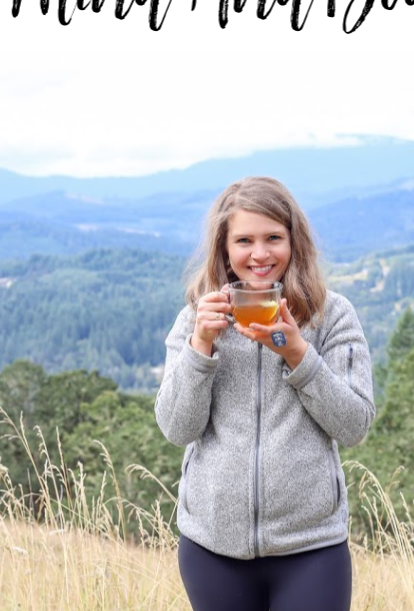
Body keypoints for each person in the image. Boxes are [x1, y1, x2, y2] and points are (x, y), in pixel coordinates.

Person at [155, 177, 375, 611]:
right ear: (224, 248)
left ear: (294, 241)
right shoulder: (196, 319)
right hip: (212, 548)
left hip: (312, 548)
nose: (260, 253)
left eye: (273, 237)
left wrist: (297, 353)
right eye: (244, 240)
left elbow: (354, 426)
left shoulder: (331, 317)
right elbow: (178, 428)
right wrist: (201, 346)